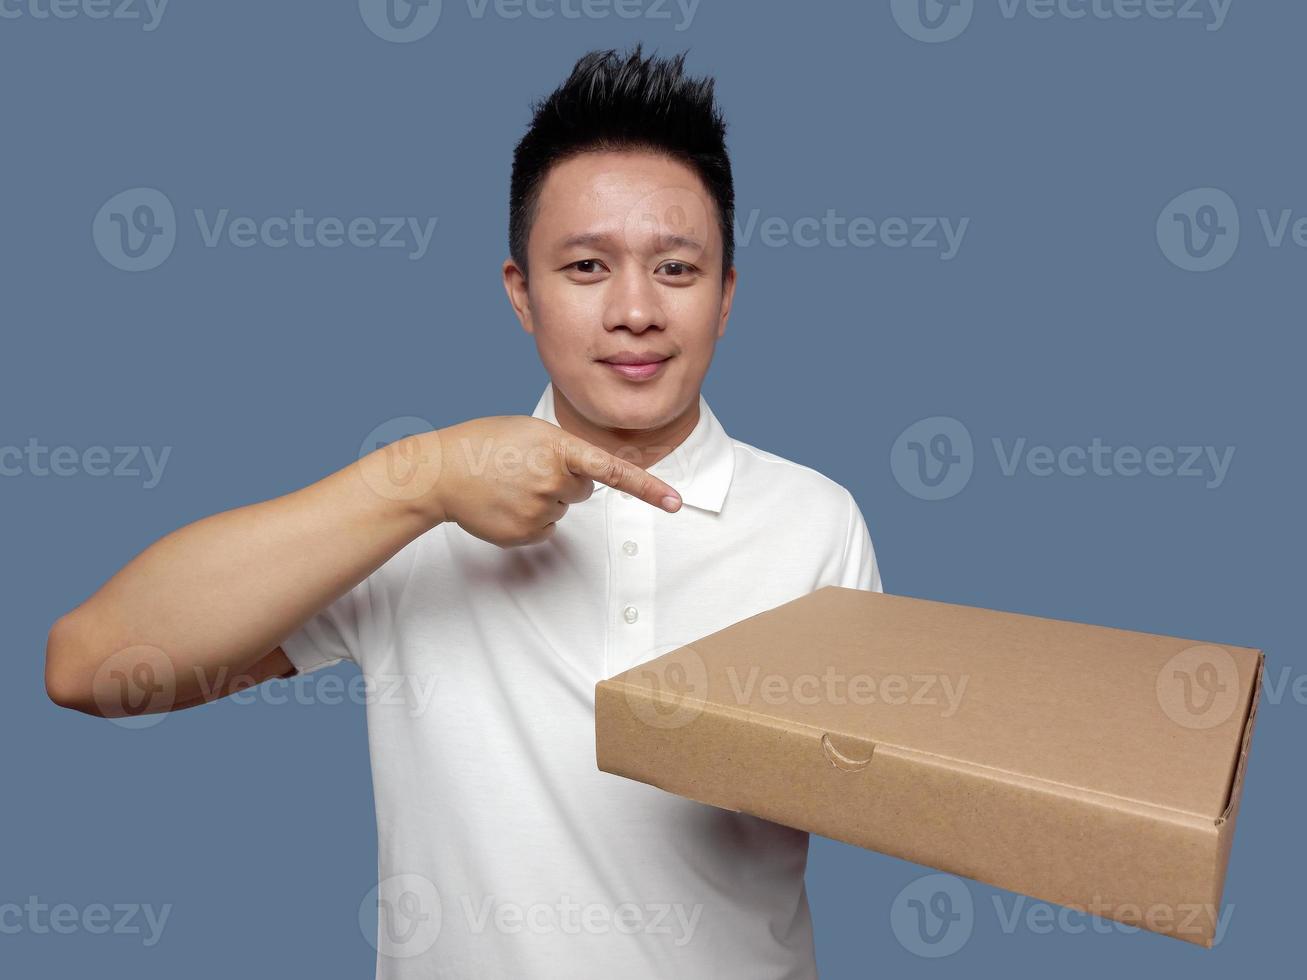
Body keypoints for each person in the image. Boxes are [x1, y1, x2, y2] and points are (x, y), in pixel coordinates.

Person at [45, 44, 883, 979]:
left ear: (726, 297)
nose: (635, 310)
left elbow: (874, 789)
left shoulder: (816, 520)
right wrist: (419, 481)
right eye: (586, 267)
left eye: (677, 270)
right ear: (520, 295)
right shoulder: (414, 516)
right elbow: (91, 667)